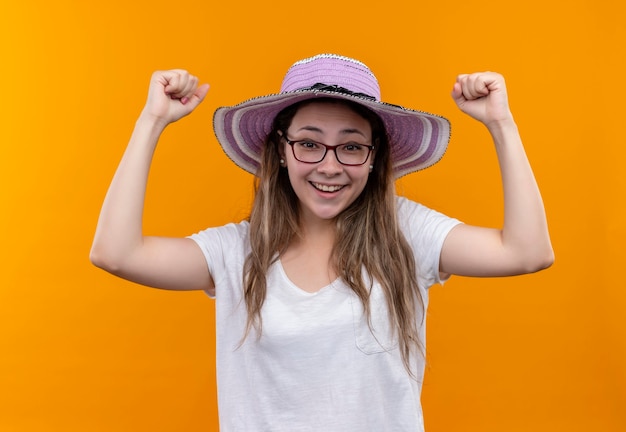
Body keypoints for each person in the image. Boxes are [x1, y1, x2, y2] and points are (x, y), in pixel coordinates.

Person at [90, 54, 553, 431]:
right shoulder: (238, 252)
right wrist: (152, 121)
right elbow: (115, 253)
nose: (329, 166)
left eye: (351, 146)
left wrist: (501, 124)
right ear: (280, 150)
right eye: (309, 144)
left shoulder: (406, 233)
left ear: (374, 158)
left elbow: (527, 253)